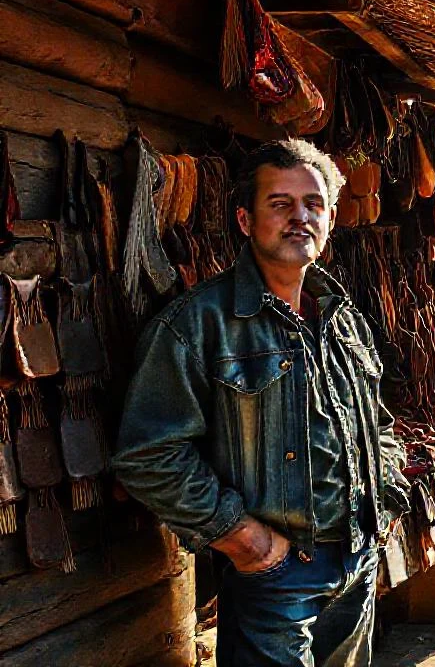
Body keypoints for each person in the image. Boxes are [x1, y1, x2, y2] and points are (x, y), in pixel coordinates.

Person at [113, 140, 409, 667]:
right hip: (276, 576)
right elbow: (149, 453)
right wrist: (246, 540)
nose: (300, 217)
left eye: (313, 204)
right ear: (246, 220)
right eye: (280, 204)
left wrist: (384, 502)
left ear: (331, 218)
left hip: (358, 562)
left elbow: (378, 426)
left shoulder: (344, 319)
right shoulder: (198, 324)